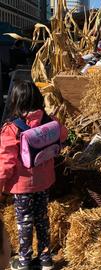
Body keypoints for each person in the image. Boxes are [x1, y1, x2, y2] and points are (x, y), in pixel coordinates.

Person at [0, 81, 67, 270]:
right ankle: (46, 260)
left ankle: (24, 261)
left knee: (24, 222)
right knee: (42, 219)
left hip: (22, 187)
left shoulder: (12, 129)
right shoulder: (49, 120)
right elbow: (63, 135)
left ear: (15, 101)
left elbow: (6, 161)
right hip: (44, 182)